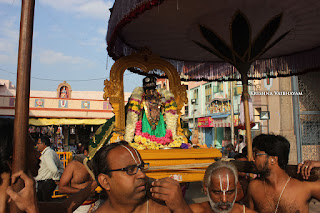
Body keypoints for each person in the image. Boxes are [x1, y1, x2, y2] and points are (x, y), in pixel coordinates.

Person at [91, 140, 192, 213]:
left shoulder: (165, 207)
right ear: (105, 181)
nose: (142, 175)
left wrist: (181, 208)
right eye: (130, 169)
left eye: (141, 167)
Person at [247, 134, 320, 212]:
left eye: (256, 154)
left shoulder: (304, 188)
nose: (252, 159)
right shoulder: (254, 188)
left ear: (273, 159)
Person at [189, 161, 256, 213]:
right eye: (217, 192)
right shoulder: (192, 211)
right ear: (206, 188)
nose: (224, 200)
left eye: (230, 192)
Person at [59, 143, 99, 212]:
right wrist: (85, 192)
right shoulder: (73, 165)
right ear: (86, 152)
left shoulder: (99, 165)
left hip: (97, 204)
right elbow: (62, 188)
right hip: (80, 206)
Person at [35, 135, 64, 201]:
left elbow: (54, 169)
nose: (37, 145)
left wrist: (56, 179)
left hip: (45, 183)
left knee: (43, 203)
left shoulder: (47, 154)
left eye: (38, 143)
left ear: (44, 144)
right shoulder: (52, 152)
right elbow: (60, 166)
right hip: (46, 182)